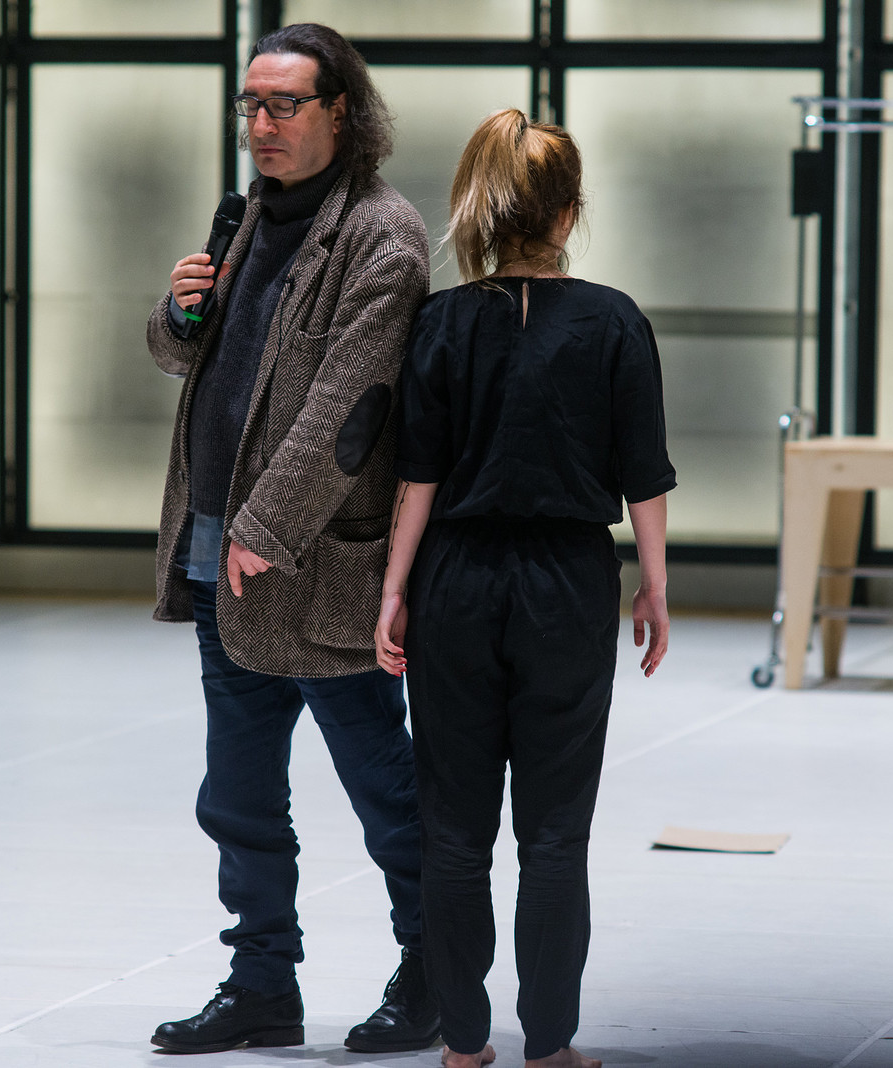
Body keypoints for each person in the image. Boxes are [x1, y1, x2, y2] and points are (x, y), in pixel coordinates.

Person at [144, 22, 438, 1056]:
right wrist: (180, 314)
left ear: (340, 112)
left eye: (283, 105)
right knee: (237, 796)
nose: (261, 125)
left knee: (384, 788)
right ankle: (261, 982)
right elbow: (187, 357)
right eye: (250, 106)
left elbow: (350, 407)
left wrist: (268, 525)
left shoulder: (383, 235)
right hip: (216, 549)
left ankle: (435, 972)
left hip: (312, 565)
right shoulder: (246, 218)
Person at [375, 109, 676, 1068]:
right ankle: (549, 1048)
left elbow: (417, 476)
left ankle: (464, 1048)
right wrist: (654, 588)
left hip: (455, 580)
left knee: (454, 831)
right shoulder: (614, 320)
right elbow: (644, 475)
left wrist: (394, 590)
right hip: (568, 583)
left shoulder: (441, 321)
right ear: (568, 213)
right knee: (553, 833)